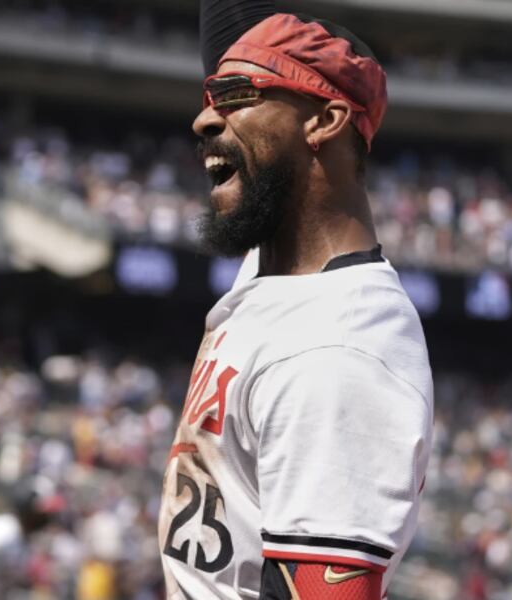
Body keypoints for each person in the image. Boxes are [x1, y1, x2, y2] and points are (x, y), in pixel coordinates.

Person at [158, 3, 434, 599]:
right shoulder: (282, 271)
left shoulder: (342, 344)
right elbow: (234, 27)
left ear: (325, 120)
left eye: (235, 93)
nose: (205, 118)